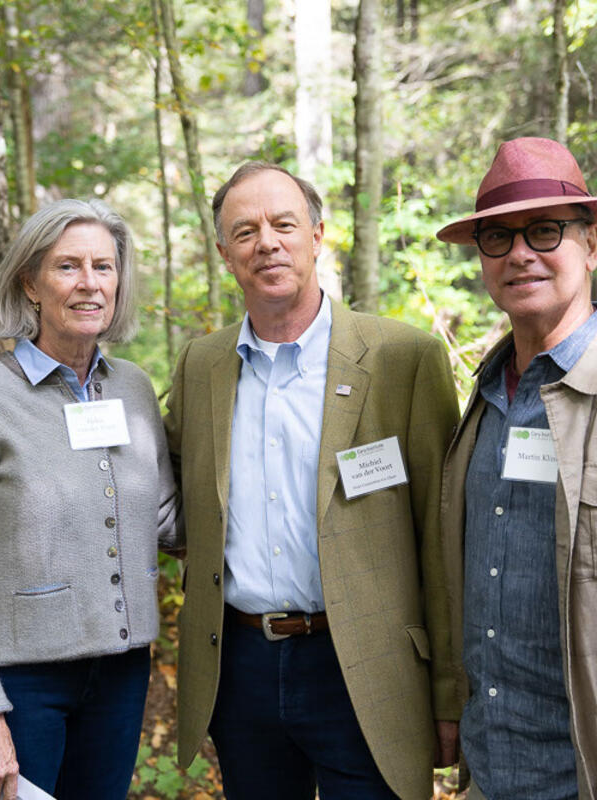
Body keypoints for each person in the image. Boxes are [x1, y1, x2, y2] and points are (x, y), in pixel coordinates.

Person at [164, 161, 462, 800]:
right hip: (238, 665)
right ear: (224, 253)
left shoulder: (403, 359)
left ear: (318, 234)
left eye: (283, 224)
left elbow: (443, 541)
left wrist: (450, 694)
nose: (266, 242)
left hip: (365, 664)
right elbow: (169, 494)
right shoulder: (200, 365)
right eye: (244, 231)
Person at [0, 198, 181, 800]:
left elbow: (165, 517)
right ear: (30, 283)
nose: (90, 283)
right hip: (21, 685)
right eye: (68, 267)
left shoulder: (133, 387)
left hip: (121, 673)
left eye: (104, 267)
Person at [437, 137, 597, 800]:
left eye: (544, 230)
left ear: (591, 244)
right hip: (489, 769)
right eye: (498, 238)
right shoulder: (485, 400)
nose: (520, 254)